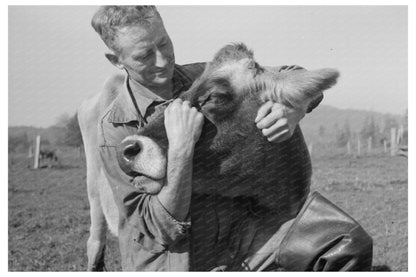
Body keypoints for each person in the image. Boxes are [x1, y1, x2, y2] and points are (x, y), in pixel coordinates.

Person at [84, 5, 372, 271]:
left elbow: (290, 74)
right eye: (144, 55)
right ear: (116, 60)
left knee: (342, 240)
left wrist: (292, 107)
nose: (162, 60)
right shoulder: (115, 129)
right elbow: (157, 229)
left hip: (234, 243)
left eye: (164, 43)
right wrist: (181, 151)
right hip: (176, 262)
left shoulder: (201, 77)